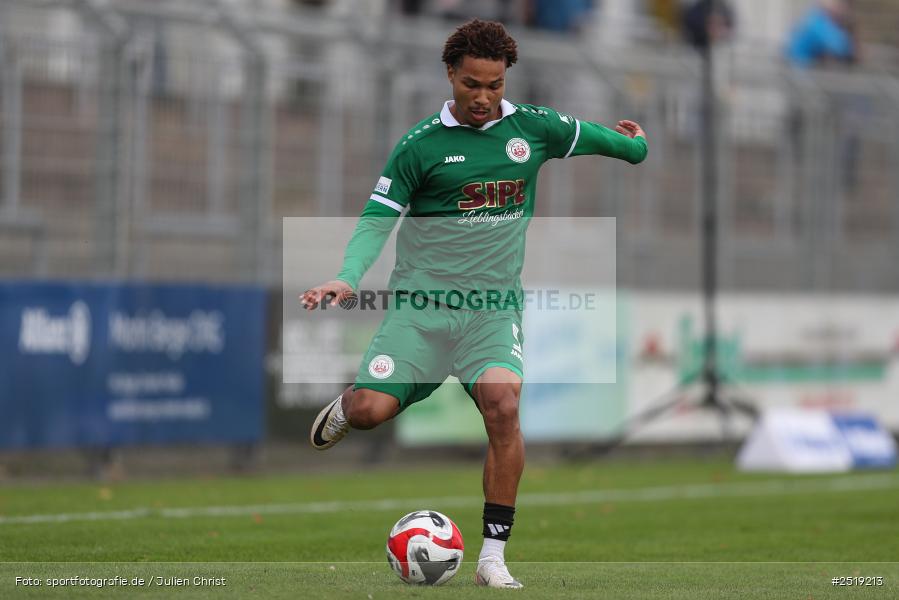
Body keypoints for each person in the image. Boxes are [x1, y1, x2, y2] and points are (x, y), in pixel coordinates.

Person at [302, 18, 646, 589]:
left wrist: (634, 146)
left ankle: (492, 558)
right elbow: (377, 219)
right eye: (471, 84)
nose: (483, 97)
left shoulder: (534, 129)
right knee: (369, 413)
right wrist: (346, 277)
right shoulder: (420, 146)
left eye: (494, 85)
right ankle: (348, 406)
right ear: (450, 76)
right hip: (422, 309)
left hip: (491, 311)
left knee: (503, 409)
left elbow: (606, 142)